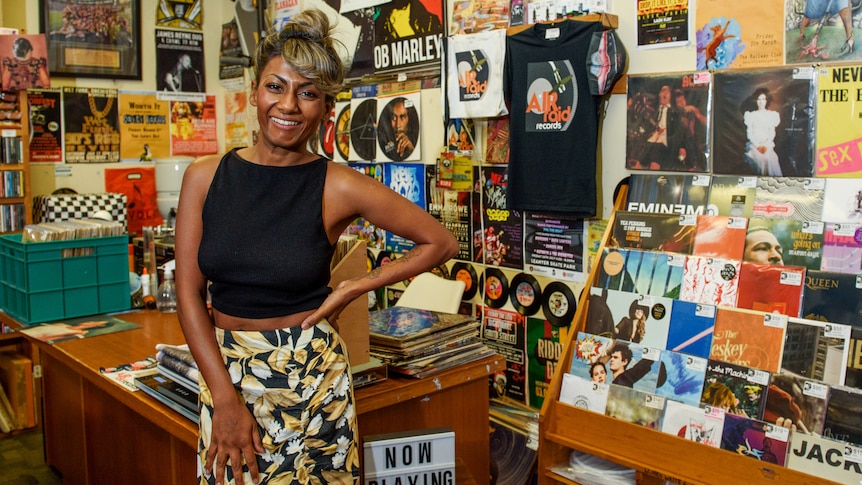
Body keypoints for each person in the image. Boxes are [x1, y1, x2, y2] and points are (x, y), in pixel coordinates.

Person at [174, 10, 458, 485]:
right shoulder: (205, 177)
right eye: (276, 86)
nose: (288, 105)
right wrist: (224, 399)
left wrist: (353, 288)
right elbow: (188, 294)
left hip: (311, 375)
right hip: (227, 375)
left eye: (307, 93)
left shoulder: (337, 186)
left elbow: (440, 241)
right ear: (255, 91)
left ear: (326, 108)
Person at [743, 88, 782, 176]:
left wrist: (766, 145)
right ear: (756, 101)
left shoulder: (772, 115)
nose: (761, 102)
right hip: (754, 145)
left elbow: (771, 133)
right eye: (759, 99)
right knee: (760, 159)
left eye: (763, 99)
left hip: (767, 145)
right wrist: (757, 146)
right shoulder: (751, 115)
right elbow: (750, 134)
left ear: (766, 101)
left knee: (769, 158)